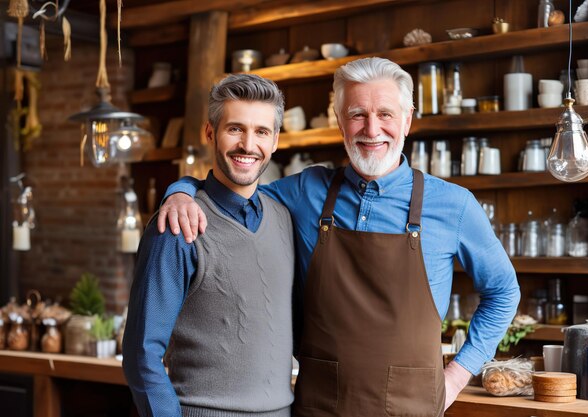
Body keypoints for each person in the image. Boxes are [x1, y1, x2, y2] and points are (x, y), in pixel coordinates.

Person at [158, 57, 520, 416]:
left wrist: (458, 374)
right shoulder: (304, 191)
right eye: (358, 114)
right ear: (340, 121)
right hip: (319, 407)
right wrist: (182, 190)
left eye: (386, 114)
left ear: (407, 120)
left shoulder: (453, 205)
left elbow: (504, 291)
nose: (372, 129)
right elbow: (234, 188)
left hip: (413, 408)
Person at [122, 73, 296, 417]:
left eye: (261, 131)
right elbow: (141, 353)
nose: (248, 144)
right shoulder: (175, 226)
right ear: (210, 133)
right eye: (235, 129)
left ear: (275, 141)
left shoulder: (284, 217)